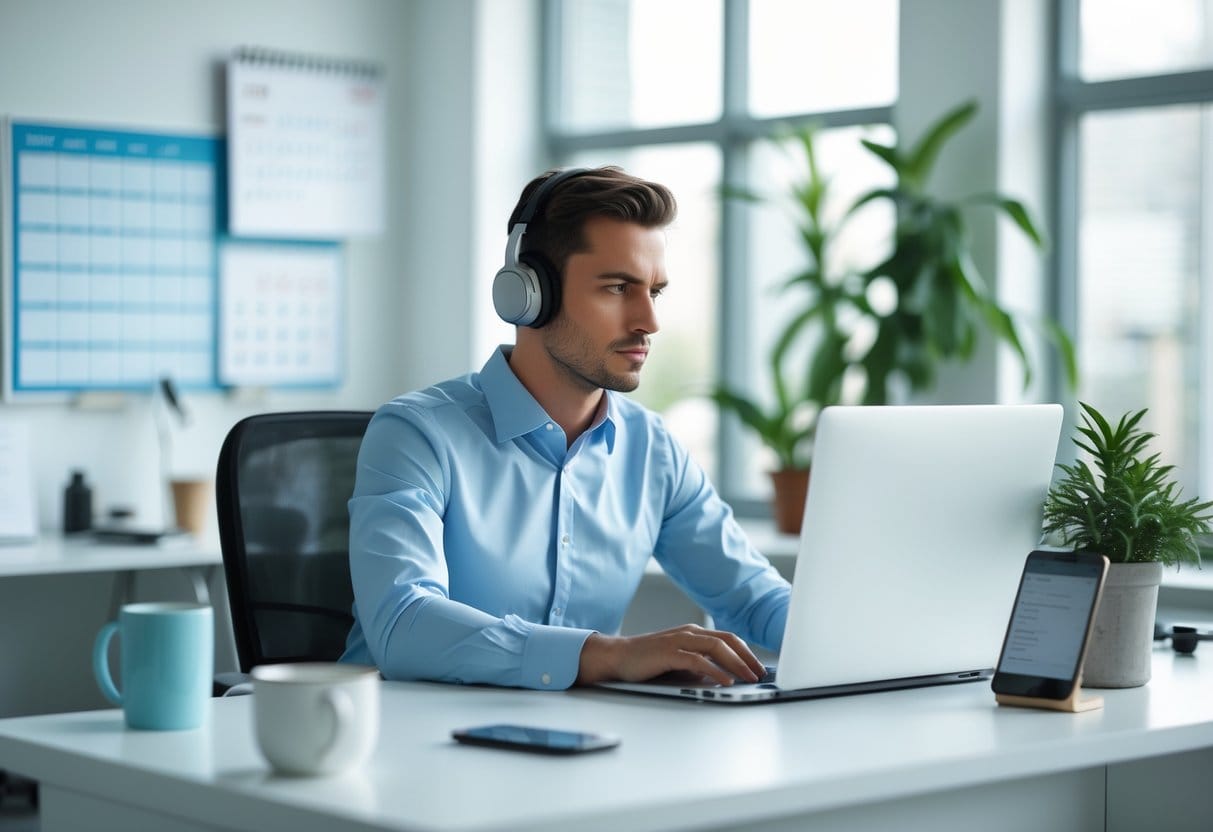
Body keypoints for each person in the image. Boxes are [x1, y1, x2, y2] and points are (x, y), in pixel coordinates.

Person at [340, 166, 791, 690]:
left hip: (575, 747)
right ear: (529, 294)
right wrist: (609, 655)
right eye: (619, 287)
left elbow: (751, 597)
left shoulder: (653, 451)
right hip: (410, 743)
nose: (649, 320)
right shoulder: (417, 435)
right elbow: (402, 625)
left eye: (655, 292)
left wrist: (858, 641)